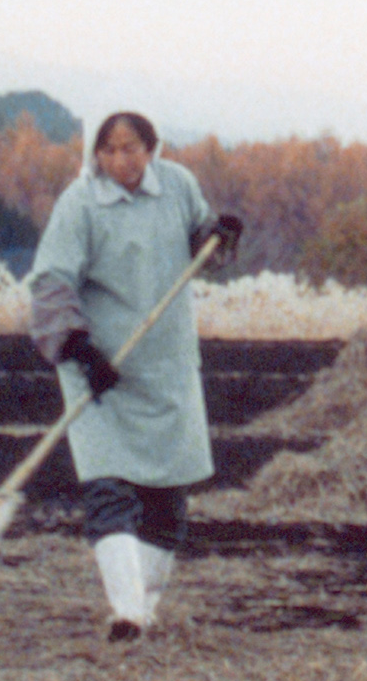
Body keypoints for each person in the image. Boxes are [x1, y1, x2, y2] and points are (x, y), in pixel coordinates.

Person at [29, 111, 242, 640]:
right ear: (94, 153)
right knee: (109, 487)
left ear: (152, 147)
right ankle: (125, 612)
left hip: (166, 364)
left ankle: (143, 612)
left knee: (167, 499)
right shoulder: (80, 203)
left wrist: (218, 237)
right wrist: (79, 349)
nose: (120, 160)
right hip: (102, 367)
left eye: (131, 148)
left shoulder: (178, 186)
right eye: (109, 150)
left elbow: (201, 249)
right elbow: (51, 280)